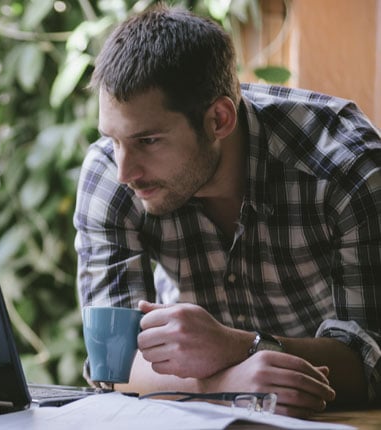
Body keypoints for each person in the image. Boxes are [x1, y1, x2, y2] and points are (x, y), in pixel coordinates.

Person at [74, 4, 381, 418]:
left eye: (148, 140)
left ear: (219, 119)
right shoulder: (110, 175)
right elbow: (110, 364)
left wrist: (239, 345)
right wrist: (225, 384)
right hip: (202, 413)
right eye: (113, 139)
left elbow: (372, 358)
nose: (125, 170)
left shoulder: (345, 167)